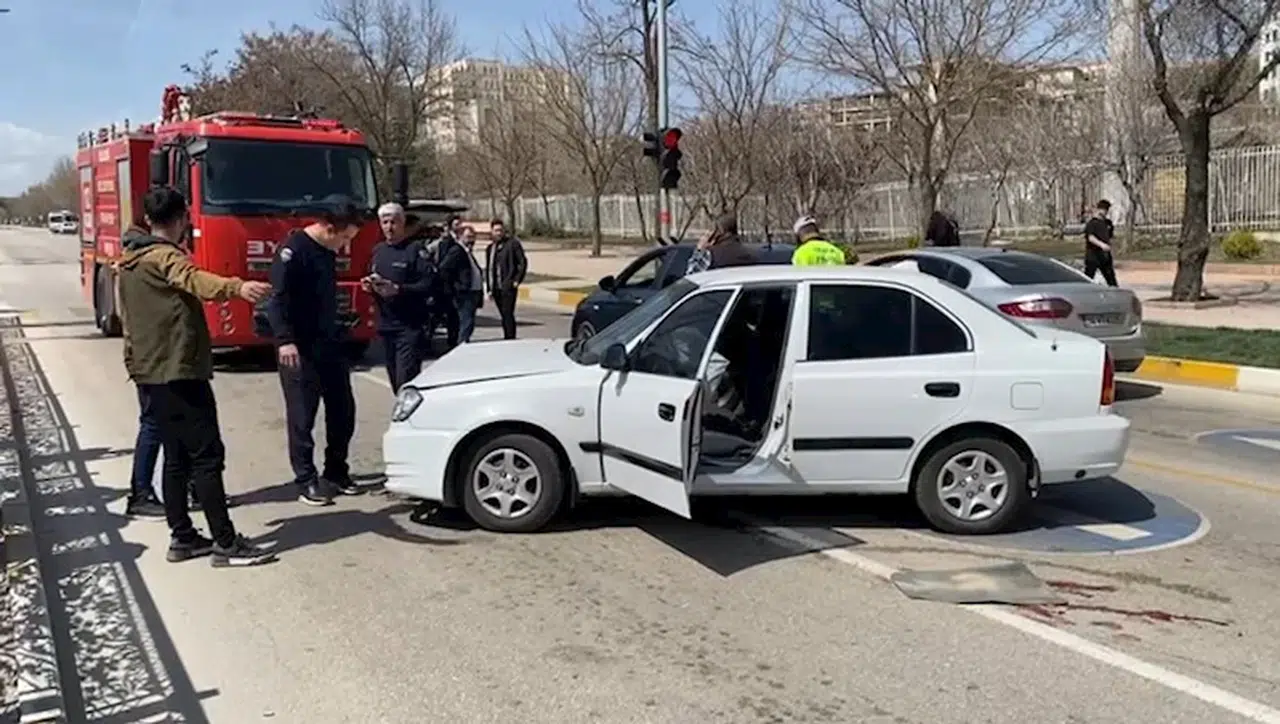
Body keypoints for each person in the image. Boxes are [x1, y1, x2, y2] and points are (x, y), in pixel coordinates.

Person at [116, 186, 276, 566]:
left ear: (148, 219)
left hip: (149, 372)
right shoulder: (165, 257)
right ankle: (226, 543)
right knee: (206, 456)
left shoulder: (129, 260)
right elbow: (194, 279)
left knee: (176, 458)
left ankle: (183, 537)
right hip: (179, 371)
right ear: (181, 219)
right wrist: (238, 287)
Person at [266, 195, 365, 507]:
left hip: (329, 344)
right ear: (328, 228)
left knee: (343, 410)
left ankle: (336, 470)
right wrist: (284, 339)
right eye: (345, 238)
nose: (345, 245)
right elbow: (276, 300)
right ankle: (306, 478)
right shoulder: (293, 251)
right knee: (302, 416)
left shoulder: (327, 252)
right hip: (299, 348)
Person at [367, 202, 435, 392]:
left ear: (402, 223)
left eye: (393, 222)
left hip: (409, 327)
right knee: (395, 381)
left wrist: (399, 289)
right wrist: (371, 286)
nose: (389, 227)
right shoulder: (378, 251)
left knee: (405, 380)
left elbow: (429, 285)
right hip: (386, 326)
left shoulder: (415, 250)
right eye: (385, 222)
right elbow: (374, 277)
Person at [438, 225, 486, 344]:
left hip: (472, 291)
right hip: (463, 293)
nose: (471, 240)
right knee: (466, 322)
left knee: (468, 322)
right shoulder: (457, 250)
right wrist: (454, 286)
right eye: (468, 237)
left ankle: (463, 343)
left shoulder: (467, 251)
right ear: (460, 237)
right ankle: (462, 345)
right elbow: (444, 268)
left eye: (473, 237)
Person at [484, 219, 527, 340]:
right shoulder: (490, 248)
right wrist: (489, 289)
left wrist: (517, 280)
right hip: (496, 287)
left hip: (508, 286)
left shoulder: (512, 244)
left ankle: (510, 337)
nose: (498, 233)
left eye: (500, 230)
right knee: (503, 314)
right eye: (496, 230)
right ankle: (507, 335)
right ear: (492, 231)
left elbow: (522, 262)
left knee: (508, 313)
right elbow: (489, 269)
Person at [685, 213, 757, 275]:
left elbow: (692, 275)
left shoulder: (711, 254)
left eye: (714, 230)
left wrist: (699, 251)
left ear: (720, 231)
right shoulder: (751, 254)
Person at [1083, 199, 1118, 287]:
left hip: (1105, 257)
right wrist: (1101, 245)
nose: (1105, 211)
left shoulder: (1108, 223)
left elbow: (1110, 237)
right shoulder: (1092, 223)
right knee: (1088, 278)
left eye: (1106, 209)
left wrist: (1111, 247)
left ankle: (1114, 292)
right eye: (1103, 209)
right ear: (1098, 209)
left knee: (1111, 280)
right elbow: (1091, 238)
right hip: (1093, 256)